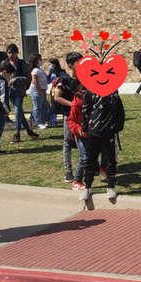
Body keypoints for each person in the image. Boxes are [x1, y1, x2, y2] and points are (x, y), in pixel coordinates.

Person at [70, 81, 124, 210]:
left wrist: (117, 127)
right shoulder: (90, 92)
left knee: (111, 160)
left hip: (109, 131)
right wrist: (84, 127)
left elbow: (120, 111)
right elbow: (86, 110)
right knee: (90, 159)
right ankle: (87, 186)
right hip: (94, 131)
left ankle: (110, 186)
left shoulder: (113, 94)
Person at [52, 51, 87, 187]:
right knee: (68, 142)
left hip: (83, 115)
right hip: (69, 116)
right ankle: (69, 172)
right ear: (71, 65)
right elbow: (57, 97)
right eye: (79, 63)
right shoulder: (64, 79)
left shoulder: (85, 79)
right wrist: (72, 104)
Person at [4, 46, 40, 142]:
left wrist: (16, 79)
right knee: (19, 112)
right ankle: (29, 131)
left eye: (13, 53)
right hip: (9, 91)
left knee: (16, 112)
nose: (11, 55)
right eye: (9, 53)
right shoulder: (4, 63)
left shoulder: (22, 64)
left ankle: (17, 134)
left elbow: (28, 78)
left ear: (17, 53)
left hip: (19, 91)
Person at [27, 54, 51, 129]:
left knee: (43, 106)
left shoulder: (39, 70)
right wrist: (39, 90)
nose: (41, 61)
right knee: (37, 107)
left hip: (42, 90)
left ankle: (39, 121)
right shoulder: (35, 71)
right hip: (37, 90)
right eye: (40, 59)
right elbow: (35, 81)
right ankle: (39, 123)